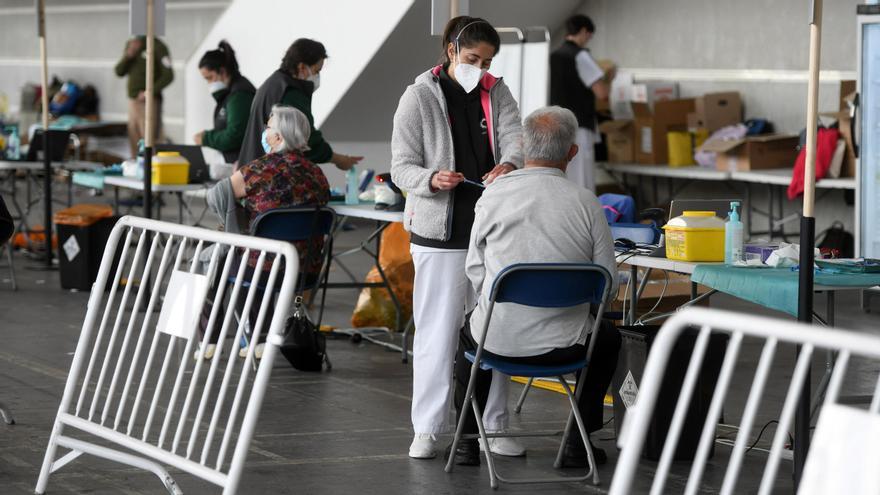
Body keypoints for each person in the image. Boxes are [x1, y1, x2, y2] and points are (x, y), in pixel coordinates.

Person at [450, 106, 621, 466]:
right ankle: (577, 441)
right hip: (566, 346)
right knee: (607, 337)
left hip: (497, 340)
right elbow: (608, 286)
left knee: (469, 329)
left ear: (522, 147)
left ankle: (466, 440)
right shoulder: (587, 203)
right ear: (572, 153)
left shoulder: (491, 196)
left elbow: (475, 270)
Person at [390, 16, 524, 460]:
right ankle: (427, 428)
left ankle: (495, 424)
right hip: (439, 233)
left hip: (491, 230)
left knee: (495, 331)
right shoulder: (417, 98)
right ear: (451, 50)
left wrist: (509, 164)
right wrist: (431, 178)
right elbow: (401, 167)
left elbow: (515, 142)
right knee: (437, 333)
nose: (480, 66)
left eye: (486, 61)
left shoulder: (497, 91)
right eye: (472, 58)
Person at [201, 105, 329, 360]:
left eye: (268, 127)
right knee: (256, 251)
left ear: (278, 137)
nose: (264, 131)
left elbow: (216, 195)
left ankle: (213, 339)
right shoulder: (317, 173)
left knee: (217, 258)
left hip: (263, 267)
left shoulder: (260, 169)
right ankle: (256, 337)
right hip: (306, 269)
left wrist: (234, 214)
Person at [239, 38, 361, 170]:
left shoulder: (274, 83)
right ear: (302, 67)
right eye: (316, 71)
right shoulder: (290, 93)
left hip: (253, 169)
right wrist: (339, 159)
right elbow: (306, 140)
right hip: (268, 172)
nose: (317, 76)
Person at [549, 14, 614, 191]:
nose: (588, 41)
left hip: (554, 125)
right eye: (589, 36)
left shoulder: (552, 56)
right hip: (579, 126)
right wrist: (609, 78)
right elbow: (602, 92)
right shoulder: (580, 56)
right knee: (582, 180)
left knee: (563, 177)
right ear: (584, 31)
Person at [193, 41, 256, 164]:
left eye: (210, 78)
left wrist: (207, 138)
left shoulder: (240, 95)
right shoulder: (229, 93)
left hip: (239, 162)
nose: (209, 83)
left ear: (222, 71)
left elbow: (234, 135)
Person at [114, 36, 174, 158]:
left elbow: (169, 75)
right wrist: (129, 54)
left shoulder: (157, 46)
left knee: (150, 138)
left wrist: (149, 92)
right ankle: (137, 167)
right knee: (134, 135)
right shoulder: (133, 44)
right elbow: (119, 71)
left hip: (149, 101)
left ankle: (152, 167)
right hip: (133, 101)